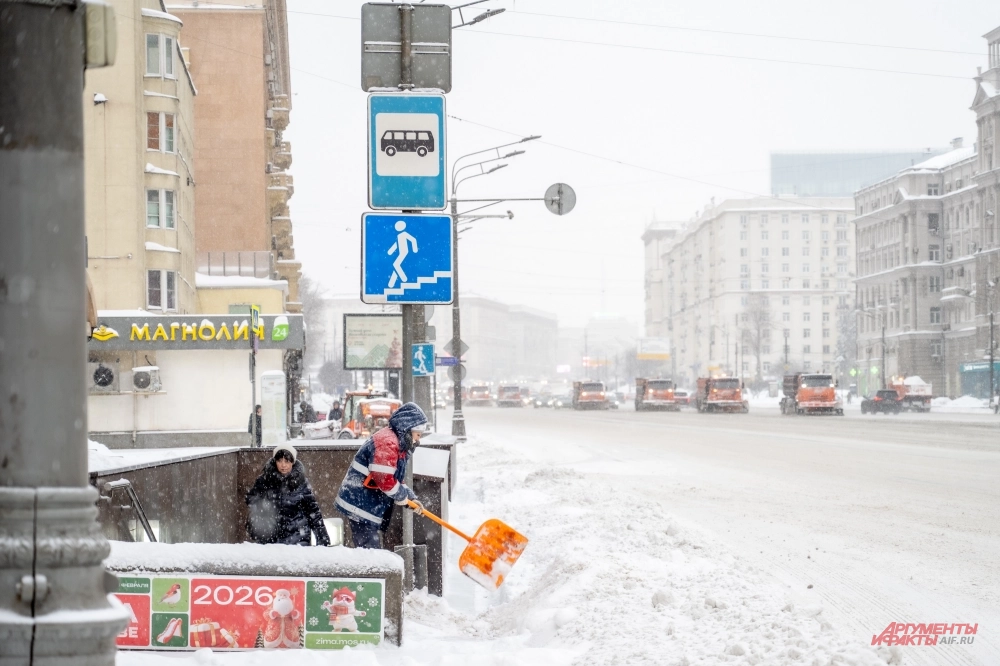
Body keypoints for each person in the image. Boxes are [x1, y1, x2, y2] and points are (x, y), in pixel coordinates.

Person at [334, 402, 428, 548]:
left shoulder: (396, 442)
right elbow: (385, 480)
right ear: (408, 430)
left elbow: (394, 477)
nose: (418, 440)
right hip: (360, 505)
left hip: (366, 504)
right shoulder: (387, 442)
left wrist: (410, 498)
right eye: (417, 435)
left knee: (371, 551)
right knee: (370, 554)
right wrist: (402, 497)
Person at [245, 444, 330, 546]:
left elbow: (314, 513)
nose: (283, 465)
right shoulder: (264, 480)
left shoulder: (302, 483)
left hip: (297, 540)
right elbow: (251, 500)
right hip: (271, 540)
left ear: (293, 462)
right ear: (275, 461)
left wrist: (323, 539)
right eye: (279, 461)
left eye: (287, 461)